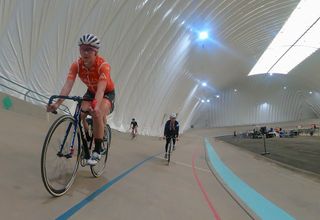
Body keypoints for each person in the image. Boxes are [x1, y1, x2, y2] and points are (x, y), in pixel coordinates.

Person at [47, 34, 115, 166]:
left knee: (98, 113)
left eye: (88, 49)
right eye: (82, 49)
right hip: (91, 92)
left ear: (96, 52)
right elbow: (68, 85)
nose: (85, 52)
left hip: (106, 93)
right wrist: (57, 103)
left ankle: (97, 149)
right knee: (79, 114)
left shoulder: (103, 66)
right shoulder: (76, 65)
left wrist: (95, 106)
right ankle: (87, 139)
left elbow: (101, 90)